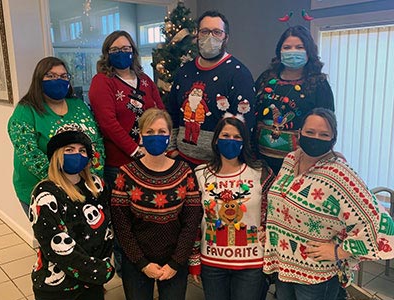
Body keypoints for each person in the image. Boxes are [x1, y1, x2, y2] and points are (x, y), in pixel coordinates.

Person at [263, 108, 394, 300]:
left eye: (324, 134)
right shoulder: (291, 160)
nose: (315, 138)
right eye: (310, 132)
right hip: (285, 264)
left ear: (333, 139)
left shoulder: (340, 174)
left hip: (316, 274)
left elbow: (379, 223)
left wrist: (339, 251)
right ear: (300, 133)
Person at [110, 108, 202, 300]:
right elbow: (121, 225)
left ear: (169, 135)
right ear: (141, 135)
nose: (156, 136)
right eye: (150, 132)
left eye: (162, 132)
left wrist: (176, 262)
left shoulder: (184, 172)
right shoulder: (126, 173)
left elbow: (191, 221)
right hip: (136, 259)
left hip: (174, 258)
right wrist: (142, 263)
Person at [8, 56, 105, 216]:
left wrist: (93, 175)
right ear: (39, 79)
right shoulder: (26, 111)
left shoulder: (78, 105)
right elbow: (28, 154)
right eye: (51, 76)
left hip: (83, 185)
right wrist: (65, 182)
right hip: (43, 189)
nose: (58, 80)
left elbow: (97, 142)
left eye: (63, 76)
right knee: (55, 236)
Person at [30, 124, 114, 300]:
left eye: (82, 150)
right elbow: (56, 247)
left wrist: (102, 265)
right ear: (57, 155)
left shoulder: (96, 186)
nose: (77, 154)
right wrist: (99, 271)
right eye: (69, 149)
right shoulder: (45, 193)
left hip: (93, 282)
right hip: (58, 288)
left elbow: (107, 229)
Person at [194, 116, 274, 300]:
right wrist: (194, 258)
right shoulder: (201, 174)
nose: (231, 140)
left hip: (251, 263)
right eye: (226, 135)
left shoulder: (260, 173)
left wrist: (268, 230)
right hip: (212, 261)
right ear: (216, 140)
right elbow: (193, 219)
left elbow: (277, 209)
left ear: (244, 142)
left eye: (237, 137)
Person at [167, 10, 256, 168]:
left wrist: (229, 162)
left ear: (226, 38)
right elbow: (172, 112)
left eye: (217, 32)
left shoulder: (238, 74)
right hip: (182, 163)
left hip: (220, 166)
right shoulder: (184, 72)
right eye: (205, 31)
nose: (210, 37)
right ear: (197, 35)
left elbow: (244, 123)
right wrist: (172, 151)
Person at [89, 30, 165, 188]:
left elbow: (161, 114)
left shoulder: (145, 80)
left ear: (133, 51)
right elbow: (108, 123)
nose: (121, 53)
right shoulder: (102, 81)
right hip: (120, 164)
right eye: (115, 50)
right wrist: (135, 150)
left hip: (150, 158)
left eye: (125, 48)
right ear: (107, 54)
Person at [254, 25, 334, 175]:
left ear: (308, 51)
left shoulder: (319, 84)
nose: (293, 51)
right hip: (260, 161)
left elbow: (327, 125)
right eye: (287, 47)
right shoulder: (265, 78)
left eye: (299, 47)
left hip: (299, 165)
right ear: (280, 51)